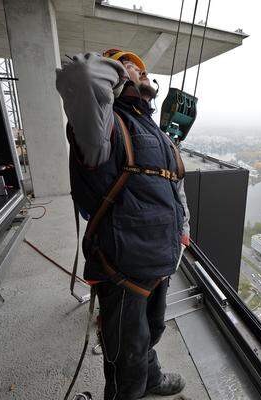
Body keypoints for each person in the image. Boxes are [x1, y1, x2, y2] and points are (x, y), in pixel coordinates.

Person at [56, 49, 190, 399]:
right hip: (122, 268)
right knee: (125, 358)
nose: (142, 71)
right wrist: (120, 72)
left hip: (159, 262)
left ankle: (151, 379)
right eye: (132, 67)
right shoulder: (102, 127)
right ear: (114, 76)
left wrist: (183, 231)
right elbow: (82, 75)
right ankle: (132, 388)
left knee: (152, 331)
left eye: (144, 70)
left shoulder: (157, 134)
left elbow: (174, 186)